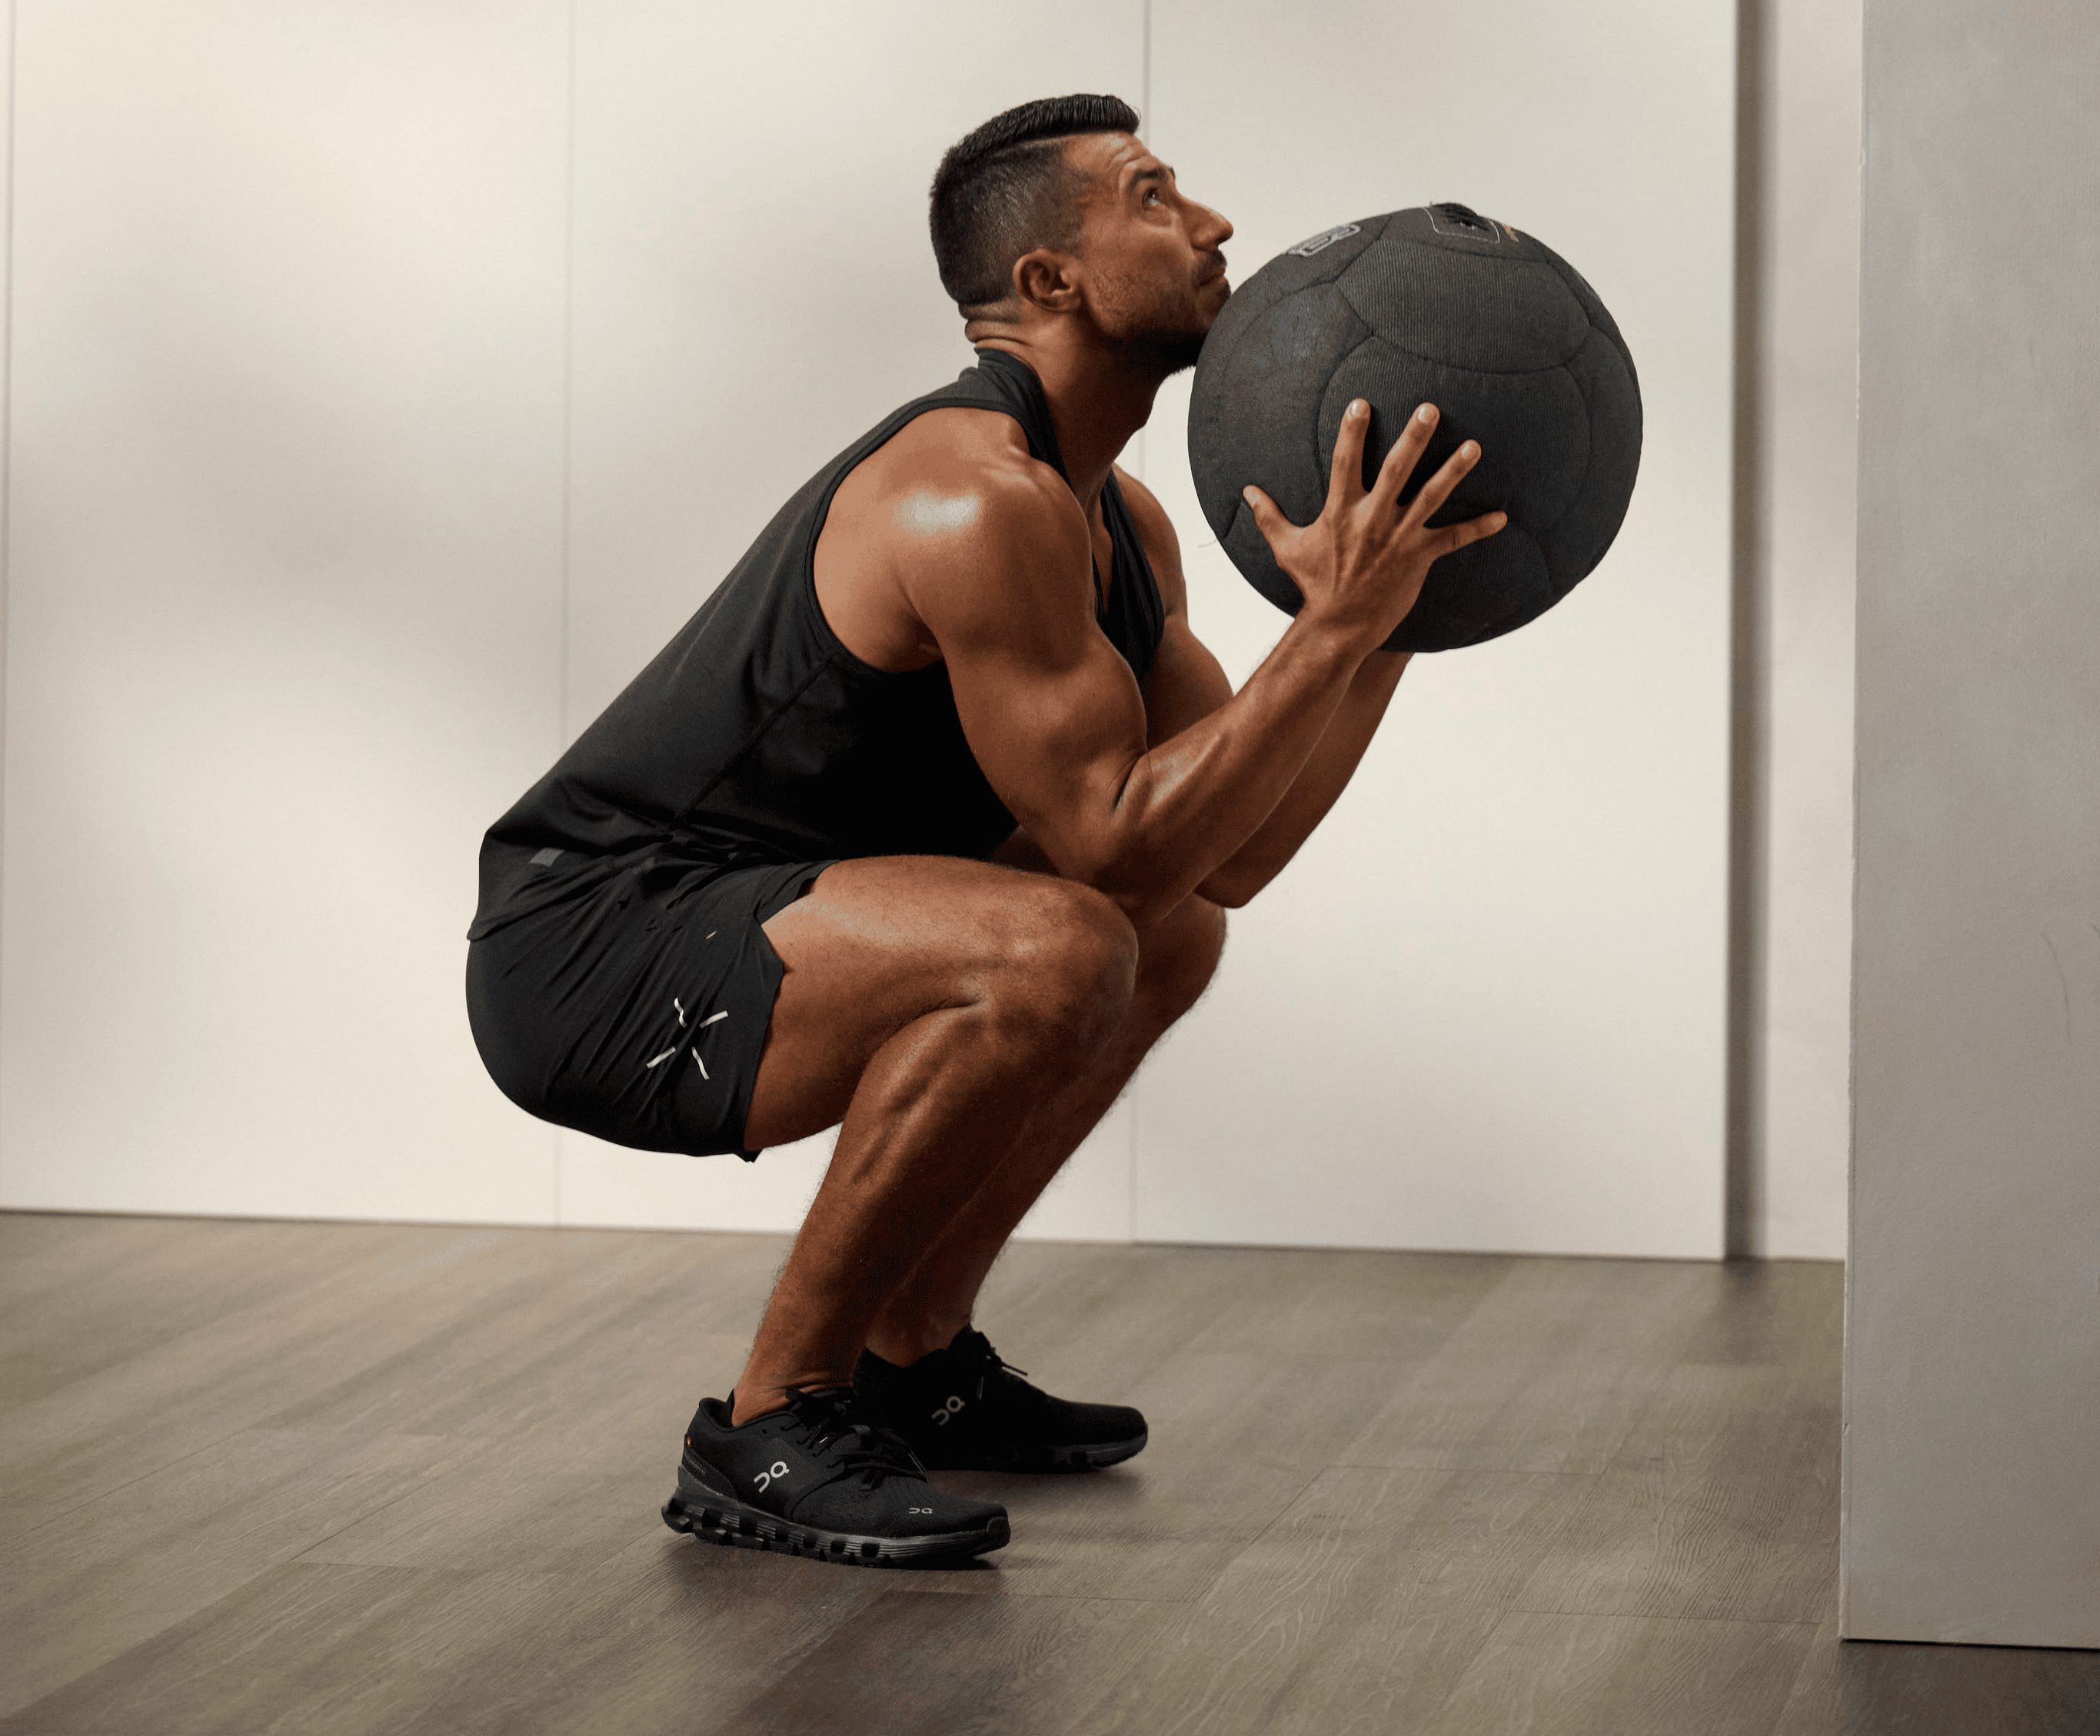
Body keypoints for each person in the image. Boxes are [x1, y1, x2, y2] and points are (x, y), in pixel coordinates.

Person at [466, 94, 1504, 1568]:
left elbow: (1228, 855)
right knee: (1061, 941)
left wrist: (1395, 621)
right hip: (590, 947)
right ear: (1047, 281)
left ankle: (913, 1356)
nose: (1214, 226)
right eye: (1154, 198)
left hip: (762, 910)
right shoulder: (971, 499)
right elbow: (1113, 843)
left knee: (1162, 937)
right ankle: (771, 1419)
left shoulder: (1116, 519)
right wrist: (1327, 631)